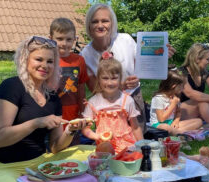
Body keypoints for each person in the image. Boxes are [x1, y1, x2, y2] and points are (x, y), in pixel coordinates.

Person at [0, 36, 93, 182]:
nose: (44, 66)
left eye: (50, 61)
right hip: (2, 166)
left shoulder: (53, 97)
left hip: (39, 163)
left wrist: (70, 130)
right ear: (25, 60)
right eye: (39, 59)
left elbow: (55, 147)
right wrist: (36, 123)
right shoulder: (11, 86)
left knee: (93, 153)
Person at [81, 3, 176, 135]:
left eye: (105, 21)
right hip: (107, 105)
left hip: (133, 97)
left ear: (112, 23)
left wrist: (162, 56)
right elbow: (94, 89)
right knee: (111, 140)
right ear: (89, 26)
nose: (100, 25)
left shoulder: (125, 39)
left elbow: (144, 64)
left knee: (137, 137)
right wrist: (120, 85)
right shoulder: (85, 54)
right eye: (95, 21)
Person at [82, 53, 143, 154]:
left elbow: (135, 127)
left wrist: (141, 147)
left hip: (127, 147)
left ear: (120, 79)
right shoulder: (93, 102)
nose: (109, 83)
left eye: (114, 78)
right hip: (104, 148)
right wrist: (97, 137)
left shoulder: (127, 100)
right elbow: (85, 128)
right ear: (98, 79)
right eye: (105, 78)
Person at [49, 18, 89, 145]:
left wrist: (82, 111)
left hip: (73, 114)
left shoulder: (79, 60)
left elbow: (81, 88)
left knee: (72, 147)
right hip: (53, 114)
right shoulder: (48, 60)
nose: (64, 43)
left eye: (68, 39)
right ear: (50, 38)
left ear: (74, 40)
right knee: (53, 148)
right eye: (59, 39)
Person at [150, 68, 202, 135]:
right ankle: (182, 133)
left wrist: (176, 120)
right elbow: (161, 119)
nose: (182, 88)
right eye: (181, 86)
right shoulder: (158, 98)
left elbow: (178, 112)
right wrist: (173, 104)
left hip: (171, 123)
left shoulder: (175, 97)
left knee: (198, 121)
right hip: (158, 125)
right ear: (173, 86)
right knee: (166, 128)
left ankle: (178, 132)